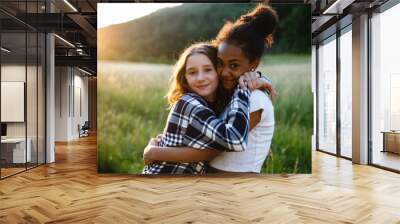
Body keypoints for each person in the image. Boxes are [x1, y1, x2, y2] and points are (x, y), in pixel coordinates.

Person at [143, 4, 278, 174]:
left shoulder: (254, 98)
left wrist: (155, 152)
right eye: (220, 64)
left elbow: (217, 149)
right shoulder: (230, 96)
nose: (225, 72)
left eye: (234, 65)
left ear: (254, 64)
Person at [143, 43, 253, 174]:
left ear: (219, 71)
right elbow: (236, 139)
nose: (200, 78)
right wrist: (243, 88)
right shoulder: (189, 103)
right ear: (185, 78)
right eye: (192, 72)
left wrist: (255, 78)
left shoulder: (212, 106)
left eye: (207, 69)